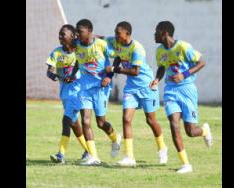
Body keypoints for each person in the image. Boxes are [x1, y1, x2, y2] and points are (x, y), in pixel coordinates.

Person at [150, 20, 213, 173]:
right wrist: (157, 79)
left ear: (165, 33)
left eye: (157, 31)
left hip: (187, 90)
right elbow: (162, 68)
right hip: (171, 91)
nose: (154, 34)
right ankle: (186, 164)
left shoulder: (183, 47)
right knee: (174, 123)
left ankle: (204, 131)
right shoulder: (159, 51)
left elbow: (201, 62)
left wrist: (184, 75)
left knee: (191, 131)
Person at [105, 21, 168, 167]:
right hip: (131, 89)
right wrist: (115, 66)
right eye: (114, 33)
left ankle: (162, 148)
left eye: (118, 33)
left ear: (127, 34)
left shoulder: (137, 48)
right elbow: (119, 56)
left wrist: (114, 70)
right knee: (126, 119)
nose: (115, 36)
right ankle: (129, 157)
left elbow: (135, 71)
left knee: (151, 121)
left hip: (146, 86)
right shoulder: (118, 44)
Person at [74, 19, 121, 165]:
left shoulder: (102, 44)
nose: (77, 34)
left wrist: (109, 76)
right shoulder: (76, 45)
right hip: (84, 88)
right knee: (85, 121)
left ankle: (115, 138)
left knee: (101, 123)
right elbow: (76, 60)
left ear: (89, 30)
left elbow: (118, 57)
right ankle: (94, 157)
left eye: (80, 31)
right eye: (76, 32)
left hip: (101, 87)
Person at [46, 24, 89, 164]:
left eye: (63, 34)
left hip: (77, 93)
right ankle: (88, 151)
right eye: (59, 34)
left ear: (72, 36)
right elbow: (49, 71)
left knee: (66, 121)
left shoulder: (79, 51)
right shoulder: (56, 53)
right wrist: (56, 76)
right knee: (74, 124)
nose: (60, 36)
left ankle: (61, 155)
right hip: (65, 94)